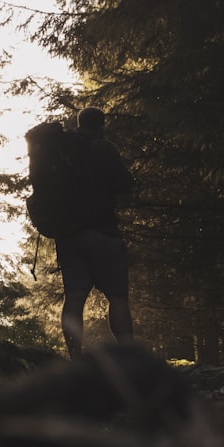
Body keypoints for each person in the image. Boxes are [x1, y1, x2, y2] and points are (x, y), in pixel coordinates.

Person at [56, 107, 135, 359]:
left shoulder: (61, 150)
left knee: (75, 297)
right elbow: (125, 185)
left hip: (68, 235)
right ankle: (126, 357)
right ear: (101, 125)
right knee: (118, 297)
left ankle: (75, 358)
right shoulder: (104, 149)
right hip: (103, 232)